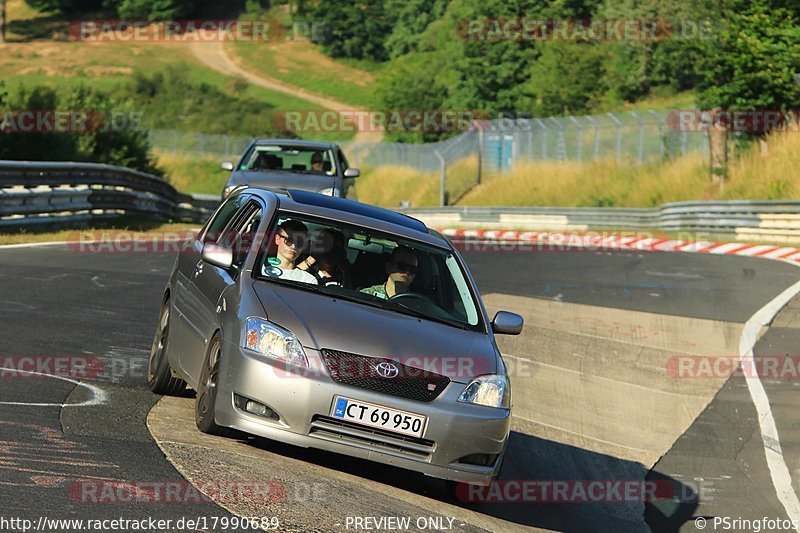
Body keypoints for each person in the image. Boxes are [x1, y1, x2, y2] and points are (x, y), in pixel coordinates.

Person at [262, 220, 318, 285]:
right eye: (289, 240)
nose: (293, 246)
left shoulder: (309, 281)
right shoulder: (260, 270)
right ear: (277, 239)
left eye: (299, 242)